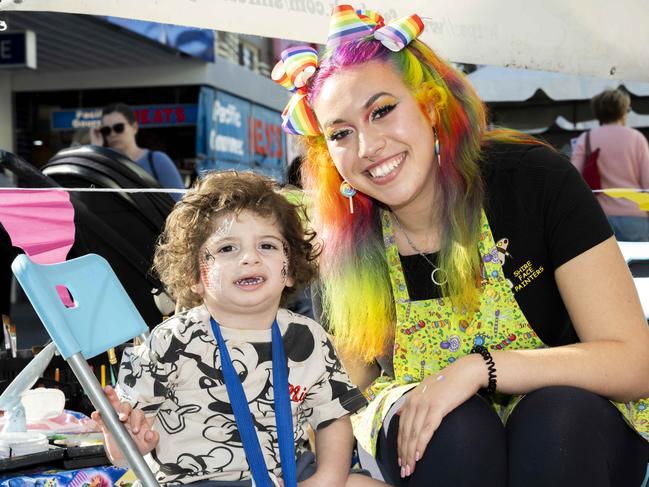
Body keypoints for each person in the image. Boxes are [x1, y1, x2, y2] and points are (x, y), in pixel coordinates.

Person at [271, 5, 649, 487]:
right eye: (342, 133)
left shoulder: (531, 181)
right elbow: (342, 383)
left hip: (573, 429)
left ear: (430, 106)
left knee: (559, 414)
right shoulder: (344, 234)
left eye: (382, 110)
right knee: (453, 428)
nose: (368, 147)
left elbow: (635, 362)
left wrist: (477, 370)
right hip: (440, 441)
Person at [91, 171, 383, 487]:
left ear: (290, 269)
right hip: (196, 481)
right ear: (195, 276)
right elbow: (123, 454)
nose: (250, 258)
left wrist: (329, 477)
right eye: (227, 248)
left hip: (289, 473)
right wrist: (128, 441)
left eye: (268, 246)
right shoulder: (170, 341)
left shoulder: (308, 338)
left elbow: (333, 417)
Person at [571, 88, 649, 241]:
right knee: (637, 265)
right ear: (623, 111)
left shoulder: (586, 138)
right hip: (635, 218)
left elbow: (573, 179)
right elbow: (647, 182)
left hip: (599, 220)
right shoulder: (637, 138)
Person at [97, 103, 185, 200]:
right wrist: (95, 147)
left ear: (134, 127)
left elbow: (180, 204)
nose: (112, 134)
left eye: (119, 128)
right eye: (106, 130)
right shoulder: (103, 164)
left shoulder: (157, 161)